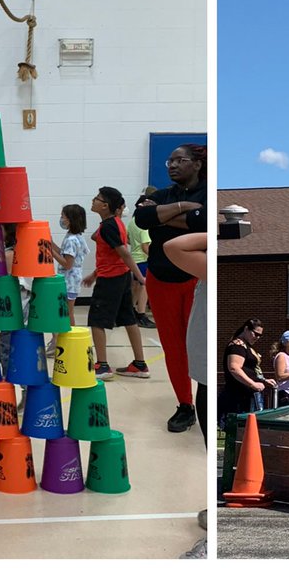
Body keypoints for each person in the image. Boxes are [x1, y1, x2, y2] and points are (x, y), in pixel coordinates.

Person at [132, 145, 207, 433]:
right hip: (160, 281)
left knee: (197, 346)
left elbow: (202, 221)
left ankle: (204, 400)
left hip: (193, 282)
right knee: (173, 348)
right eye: (170, 160)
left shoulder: (206, 193)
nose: (172, 165)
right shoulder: (161, 194)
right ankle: (185, 406)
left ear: (197, 164)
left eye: (180, 160)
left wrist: (162, 215)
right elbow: (141, 218)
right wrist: (183, 210)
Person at [162, 230, 209, 553]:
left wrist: (214, 233)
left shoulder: (212, 264)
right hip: (204, 377)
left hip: (208, 378)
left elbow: (172, 246)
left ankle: (211, 544)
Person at [82, 186, 149, 381]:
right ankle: (139, 364)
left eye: (97, 198)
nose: (93, 200)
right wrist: (94, 274)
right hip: (120, 277)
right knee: (129, 319)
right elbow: (112, 255)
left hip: (111, 280)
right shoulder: (115, 223)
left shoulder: (110, 225)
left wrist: (141, 277)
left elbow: (124, 254)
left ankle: (102, 366)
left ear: (105, 206)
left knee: (96, 321)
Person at [46, 204, 88, 328]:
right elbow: (64, 254)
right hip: (71, 279)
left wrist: (50, 251)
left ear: (71, 219)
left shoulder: (71, 240)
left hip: (69, 280)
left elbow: (67, 264)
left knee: (67, 312)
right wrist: (51, 243)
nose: (61, 219)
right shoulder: (74, 236)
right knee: (65, 311)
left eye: (63, 217)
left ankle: (70, 337)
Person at [221, 320, 273, 419]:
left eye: (260, 335)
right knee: (238, 428)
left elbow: (249, 370)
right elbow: (234, 368)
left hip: (247, 395)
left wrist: (263, 380)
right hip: (237, 397)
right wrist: (253, 384)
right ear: (246, 329)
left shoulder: (246, 346)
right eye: (256, 334)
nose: (257, 337)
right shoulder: (237, 345)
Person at [125, 190, 154, 328]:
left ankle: (131, 312)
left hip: (134, 258)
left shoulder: (132, 222)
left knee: (135, 286)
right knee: (145, 286)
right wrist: (155, 257)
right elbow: (145, 246)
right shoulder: (144, 225)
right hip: (143, 259)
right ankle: (141, 314)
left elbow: (127, 239)